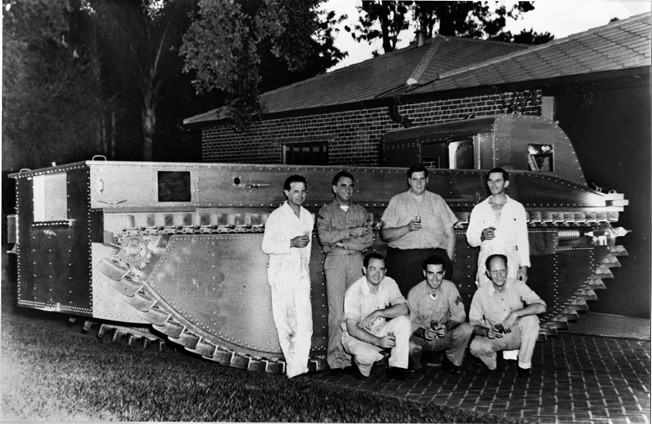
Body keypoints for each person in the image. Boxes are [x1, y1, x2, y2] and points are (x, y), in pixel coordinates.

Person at [317, 171, 373, 376]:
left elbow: (368, 239)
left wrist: (341, 242)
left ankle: (354, 357)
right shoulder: (326, 211)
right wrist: (350, 233)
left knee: (355, 311)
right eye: (343, 186)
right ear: (334, 188)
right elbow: (324, 237)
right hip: (336, 262)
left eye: (350, 186)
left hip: (356, 261)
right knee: (337, 312)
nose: (347, 190)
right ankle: (336, 360)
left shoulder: (360, 211)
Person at [261, 175, 314, 378]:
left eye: (303, 191)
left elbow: (307, 251)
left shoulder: (308, 216)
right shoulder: (277, 216)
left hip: (301, 276)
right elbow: (267, 246)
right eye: (296, 191)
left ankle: (301, 368)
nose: (300, 195)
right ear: (287, 193)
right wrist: (290, 243)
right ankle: (294, 370)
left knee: (304, 324)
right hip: (282, 276)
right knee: (286, 324)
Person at [380, 163, 458, 297]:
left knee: (435, 306)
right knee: (406, 307)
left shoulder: (437, 200)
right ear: (409, 181)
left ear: (427, 180)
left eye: (422, 179)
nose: (419, 183)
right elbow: (385, 234)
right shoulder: (397, 201)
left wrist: (447, 262)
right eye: (415, 179)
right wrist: (407, 228)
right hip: (404, 264)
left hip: (434, 262)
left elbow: (450, 235)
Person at [469, 254, 546, 378]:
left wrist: (515, 314)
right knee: (475, 346)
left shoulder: (518, 285)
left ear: (508, 270)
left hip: (517, 335)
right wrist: (486, 331)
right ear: (488, 273)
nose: (499, 275)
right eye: (494, 272)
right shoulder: (480, 294)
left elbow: (541, 306)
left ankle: (524, 365)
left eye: (502, 271)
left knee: (532, 319)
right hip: (497, 337)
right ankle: (493, 365)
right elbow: (473, 324)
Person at [341, 252, 411, 381]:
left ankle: (397, 367)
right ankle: (359, 365)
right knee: (368, 356)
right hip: (357, 336)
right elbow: (352, 329)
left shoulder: (389, 282)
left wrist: (379, 313)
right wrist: (378, 341)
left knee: (403, 321)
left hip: (379, 330)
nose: (377, 274)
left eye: (381, 269)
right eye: (372, 268)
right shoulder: (354, 291)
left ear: (385, 271)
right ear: (364, 270)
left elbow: (404, 308)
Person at [407, 255, 473, 374]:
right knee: (410, 346)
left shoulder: (450, 287)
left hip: (443, 335)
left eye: (439, 273)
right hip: (423, 338)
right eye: (431, 273)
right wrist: (423, 333)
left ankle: (451, 361)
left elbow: (460, 314)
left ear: (444, 273)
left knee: (467, 329)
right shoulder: (414, 292)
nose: (435, 278)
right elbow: (410, 322)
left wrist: (447, 327)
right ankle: (416, 364)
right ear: (424, 273)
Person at [466, 167, 530, 288]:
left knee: (512, 302)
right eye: (490, 181)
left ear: (506, 183)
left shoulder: (517, 208)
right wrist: (482, 236)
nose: (493, 184)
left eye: (498, 181)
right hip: (487, 264)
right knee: (487, 301)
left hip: (511, 263)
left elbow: (522, 240)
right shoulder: (479, 209)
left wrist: (524, 268)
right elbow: (471, 240)